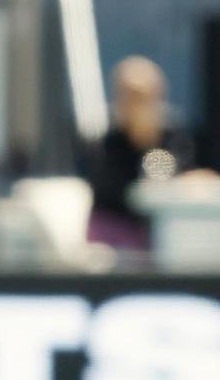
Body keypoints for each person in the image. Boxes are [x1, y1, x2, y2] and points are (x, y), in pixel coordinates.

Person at [85, 55, 198, 250]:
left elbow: (184, 174)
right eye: (128, 96)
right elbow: (111, 193)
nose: (136, 105)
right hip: (116, 233)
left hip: (168, 229)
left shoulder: (172, 137)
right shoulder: (108, 142)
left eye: (142, 97)